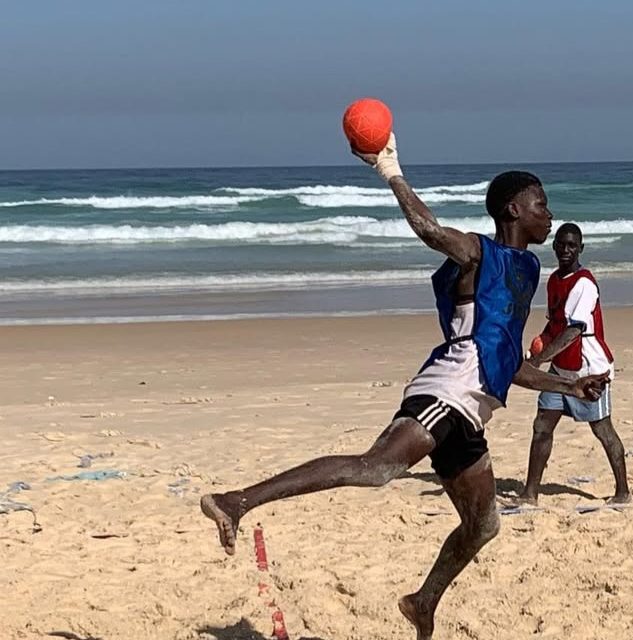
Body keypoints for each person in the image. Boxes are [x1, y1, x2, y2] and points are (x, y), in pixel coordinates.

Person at [199, 134, 610, 640]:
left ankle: (422, 602)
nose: (549, 215)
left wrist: (571, 383)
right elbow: (432, 231)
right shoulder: (479, 256)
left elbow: (507, 365)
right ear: (513, 209)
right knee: (376, 469)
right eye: (541, 205)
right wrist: (389, 168)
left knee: (483, 525)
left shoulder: (525, 268)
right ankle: (236, 501)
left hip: (473, 408)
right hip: (446, 390)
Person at [519, 223, 630, 505]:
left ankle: (622, 492)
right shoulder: (555, 280)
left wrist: (540, 361)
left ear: (580, 249)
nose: (566, 250)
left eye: (572, 245)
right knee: (542, 425)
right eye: (561, 244)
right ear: (555, 247)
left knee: (603, 430)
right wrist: (536, 355)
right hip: (560, 367)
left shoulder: (584, 284)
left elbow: (573, 330)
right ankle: (530, 494)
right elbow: (555, 325)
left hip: (588, 370)